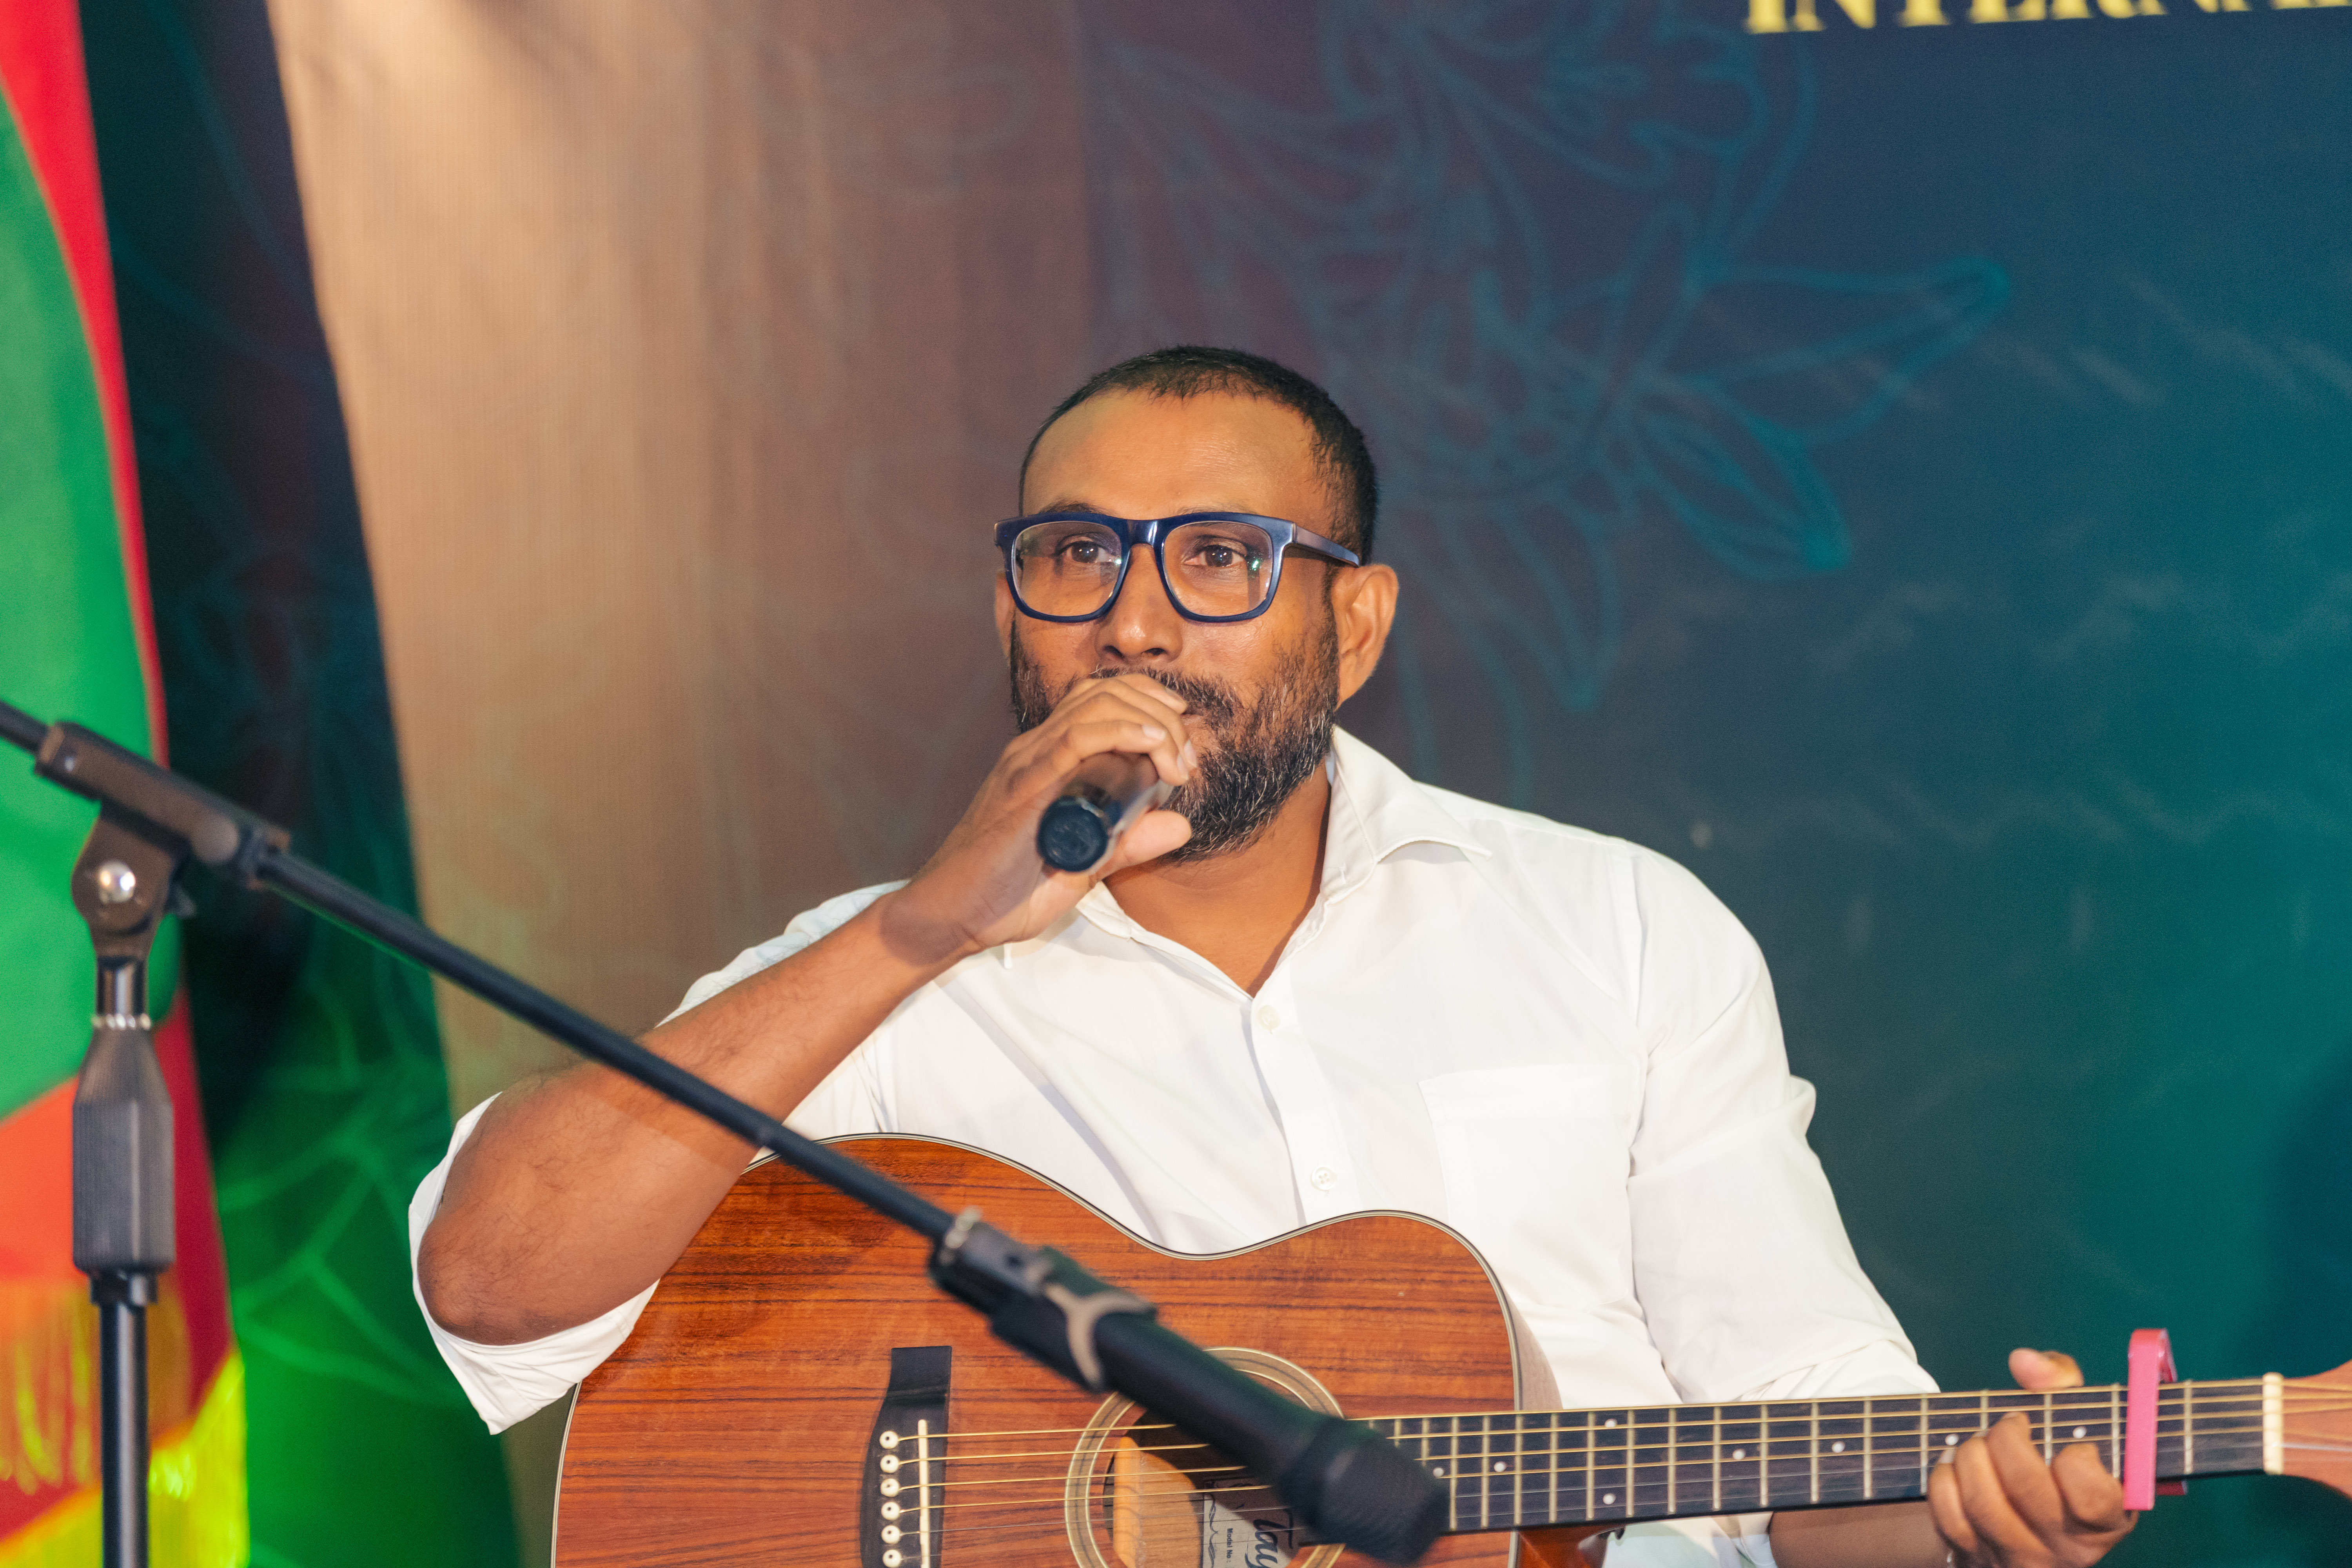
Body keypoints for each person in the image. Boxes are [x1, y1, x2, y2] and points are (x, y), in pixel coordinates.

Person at [412, 347, 2132, 1568]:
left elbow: (1796, 1416)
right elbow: (491, 1279)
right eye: (1076, 555)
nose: (1135, 618)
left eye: (1222, 559)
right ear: (1011, 611)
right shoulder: (885, 969)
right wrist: (924, 929)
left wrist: (1978, 1523)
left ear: (1352, 624)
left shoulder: (1615, 926)